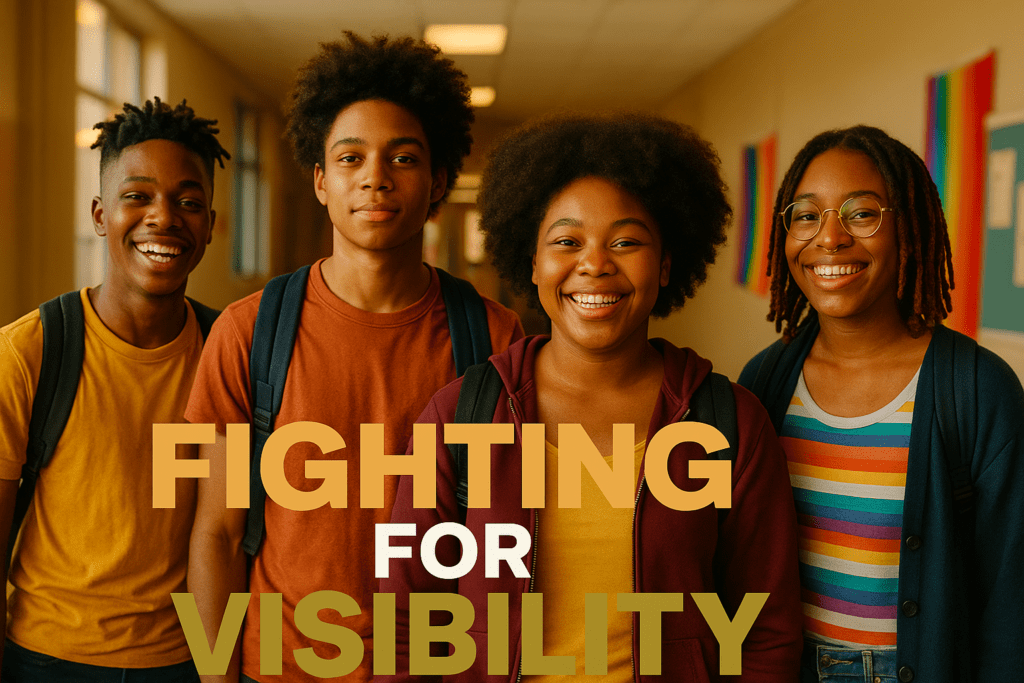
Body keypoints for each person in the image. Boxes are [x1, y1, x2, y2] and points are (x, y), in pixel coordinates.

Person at [381, 112, 802, 682]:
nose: (595, 264)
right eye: (567, 241)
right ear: (533, 262)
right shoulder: (460, 415)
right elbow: (405, 620)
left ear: (667, 263)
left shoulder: (729, 424)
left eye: (626, 241)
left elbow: (766, 633)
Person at [184, 32, 523, 683]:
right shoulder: (249, 332)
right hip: (279, 665)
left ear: (439, 182)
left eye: (402, 157)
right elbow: (218, 534)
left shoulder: (494, 337)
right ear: (319, 181)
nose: (374, 176)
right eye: (350, 157)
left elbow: (508, 537)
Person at [737, 125, 1024, 683]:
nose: (830, 238)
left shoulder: (976, 390)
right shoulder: (765, 382)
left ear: (909, 229)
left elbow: (1012, 598)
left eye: (861, 214)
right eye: (806, 214)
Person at [0, 98, 229, 680]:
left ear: (209, 225)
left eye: (188, 202)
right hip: (46, 659)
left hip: (184, 659)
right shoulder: (28, 353)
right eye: (138, 197)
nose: (164, 218)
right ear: (101, 215)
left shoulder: (229, 353)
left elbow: (228, 535)